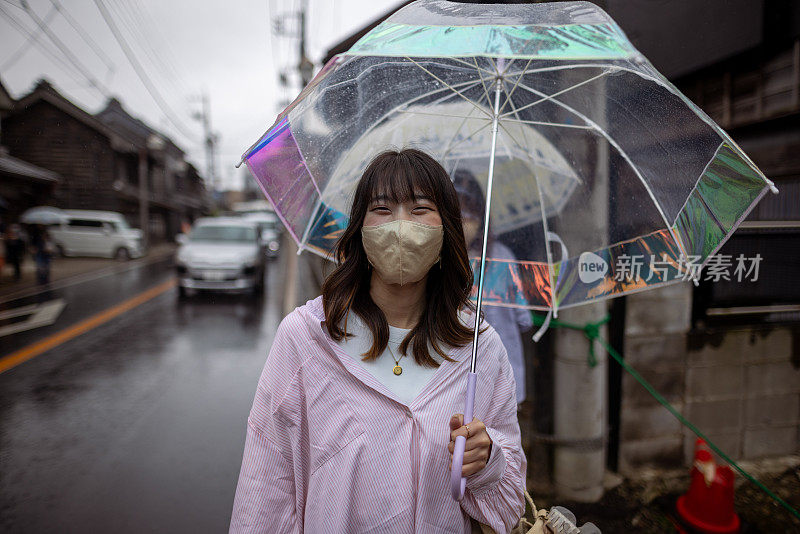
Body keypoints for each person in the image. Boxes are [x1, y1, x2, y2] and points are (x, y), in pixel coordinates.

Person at [230, 149, 526, 533]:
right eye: (383, 209)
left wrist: (487, 464)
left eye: (420, 209)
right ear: (360, 231)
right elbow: (265, 489)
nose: (401, 226)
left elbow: (508, 509)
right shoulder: (305, 338)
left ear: (445, 232)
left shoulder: (479, 348)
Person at [452, 169, 533, 406]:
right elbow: (524, 318)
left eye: (469, 214)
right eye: (457, 215)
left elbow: (523, 318)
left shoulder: (501, 257)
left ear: (481, 218)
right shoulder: (502, 257)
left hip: (499, 379)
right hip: (459, 381)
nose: (464, 222)